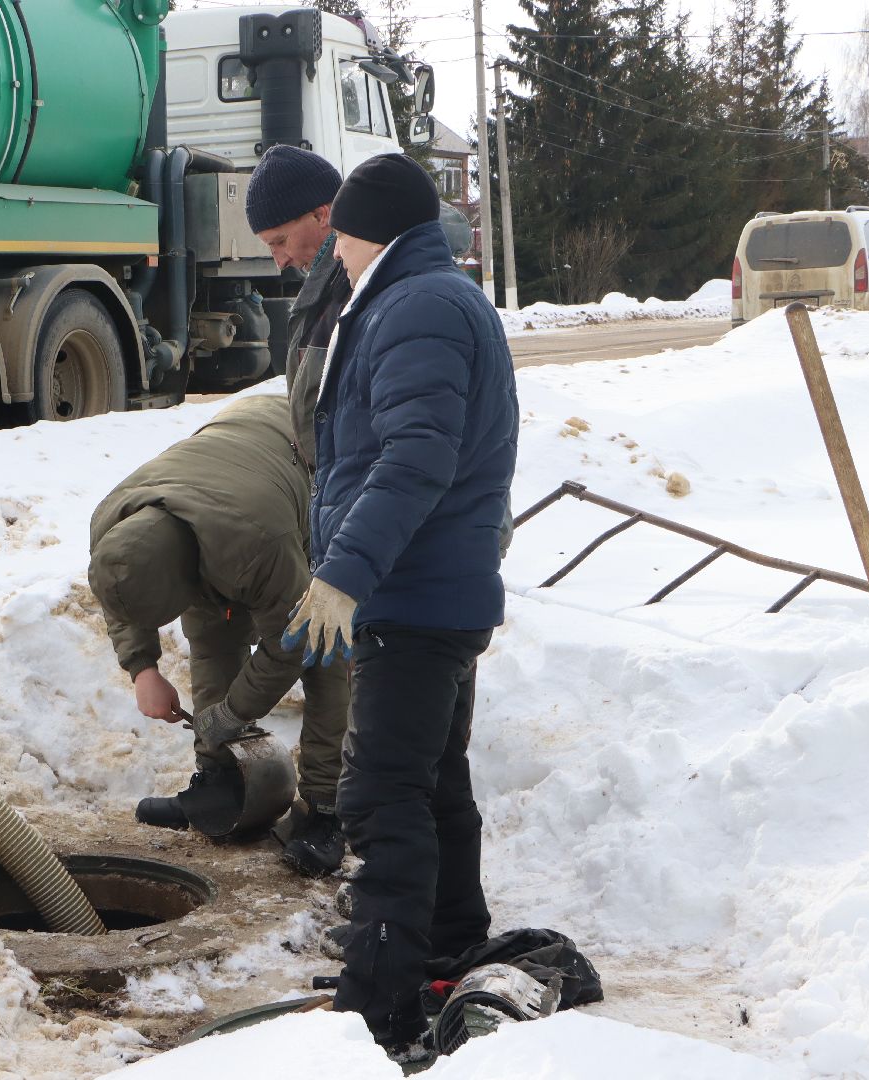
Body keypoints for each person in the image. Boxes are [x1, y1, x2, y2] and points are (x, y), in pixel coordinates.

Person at [283, 154, 519, 1062]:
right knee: (435, 783)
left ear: (367, 231)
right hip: (433, 588)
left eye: (339, 235)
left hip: (413, 595)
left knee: (382, 795)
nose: (332, 252)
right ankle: (451, 945)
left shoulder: (416, 304)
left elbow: (415, 457)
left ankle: (379, 1004)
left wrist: (345, 572)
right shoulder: (422, 294)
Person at [88, 394, 350, 876]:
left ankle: (325, 809)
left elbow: (291, 644)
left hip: (311, 457)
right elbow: (120, 599)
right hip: (228, 465)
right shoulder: (115, 522)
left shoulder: (259, 545)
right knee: (211, 628)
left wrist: (233, 713)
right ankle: (223, 780)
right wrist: (142, 669)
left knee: (326, 641)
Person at [245, 144, 354, 474]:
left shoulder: (357, 291)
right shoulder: (329, 290)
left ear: (321, 215)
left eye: (280, 241)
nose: (280, 262)